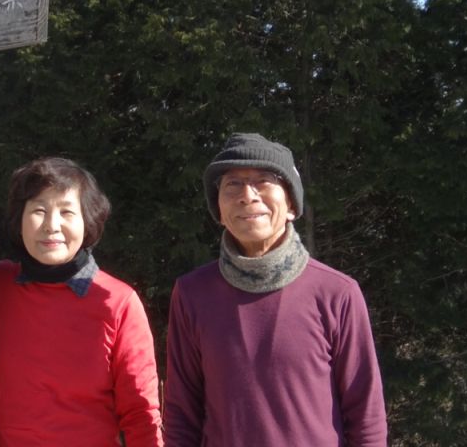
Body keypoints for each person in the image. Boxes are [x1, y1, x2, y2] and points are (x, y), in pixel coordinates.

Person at [163, 132, 388, 446]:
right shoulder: (192, 293)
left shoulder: (337, 293)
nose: (247, 195)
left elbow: (367, 417)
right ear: (219, 210)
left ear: (292, 204)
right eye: (233, 184)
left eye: (263, 181)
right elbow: (181, 412)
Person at [0, 156, 163, 446]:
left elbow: (140, 412)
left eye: (67, 212)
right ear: (19, 220)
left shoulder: (118, 302)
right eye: (39, 210)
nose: (51, 226)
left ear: (87, 221)